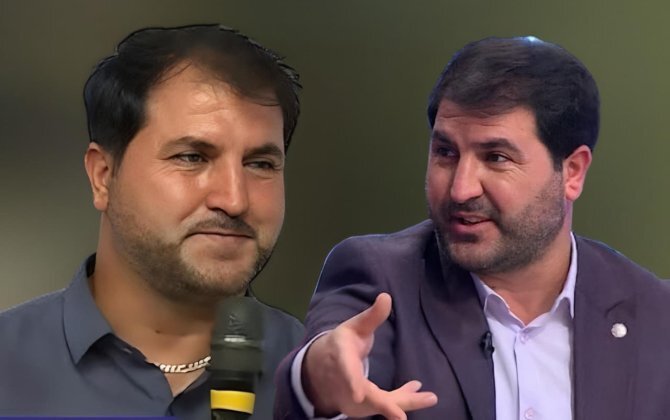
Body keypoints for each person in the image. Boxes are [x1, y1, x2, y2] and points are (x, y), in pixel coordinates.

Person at [274, 36, 670, 420]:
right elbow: (335, 362)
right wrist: (318, 379)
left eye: (496, 157)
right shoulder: (380, 277)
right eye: (445, 152)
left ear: (572, 172)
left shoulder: (655, 315)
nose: (461, 189)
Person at [0, 24, 303, 419]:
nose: (234, 200)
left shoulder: (326, 383)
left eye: (260, 164)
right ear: (103, 176)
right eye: (191, 157)